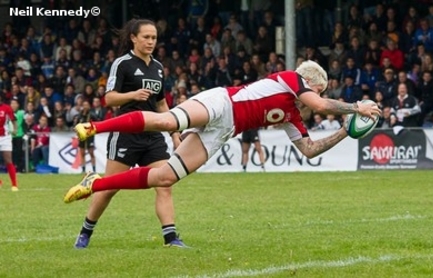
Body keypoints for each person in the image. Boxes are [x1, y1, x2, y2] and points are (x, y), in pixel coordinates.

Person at [63, 60, 380, 205]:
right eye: (319, 90)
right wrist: (356, 107)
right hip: (221, 102)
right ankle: (94, 127)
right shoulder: (290, 78)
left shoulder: (292, 114)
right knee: (169, 121)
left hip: (226, 129)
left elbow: (308, 150)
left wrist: (345, 132)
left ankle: (96, 182)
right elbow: (320, 104)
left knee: (166, 176)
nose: (315, 100)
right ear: (310, 83)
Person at [71, 19, 187, 249]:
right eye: (146, 37)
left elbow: (162, 104)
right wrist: (132, 95)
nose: (151, 42)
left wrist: (175, 133)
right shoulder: (122, 64)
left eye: (153, 38)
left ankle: (171, 238)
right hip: (126, 134)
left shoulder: (158, 67)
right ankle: (85, 232)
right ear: (134, 38)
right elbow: (109, 98)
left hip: (153, 135)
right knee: (111, 187)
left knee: (165, 184)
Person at [74, 100, 98, 173]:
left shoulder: (92, 115)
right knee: (82, 153)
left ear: (89, 106)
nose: (85, 106)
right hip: (82, 136)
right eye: (84, 105)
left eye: (86, 105)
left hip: (90, 136)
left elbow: (96, 123)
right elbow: (76, 125)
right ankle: (83, 169)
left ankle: (94, 170)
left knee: (91, 153)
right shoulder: (79, 115)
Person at [0, 94, 18, 190]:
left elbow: (14, 120)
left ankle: (14, 185)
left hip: (5, 137)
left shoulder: (7, 108)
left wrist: (15, 129)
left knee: (8, 160)